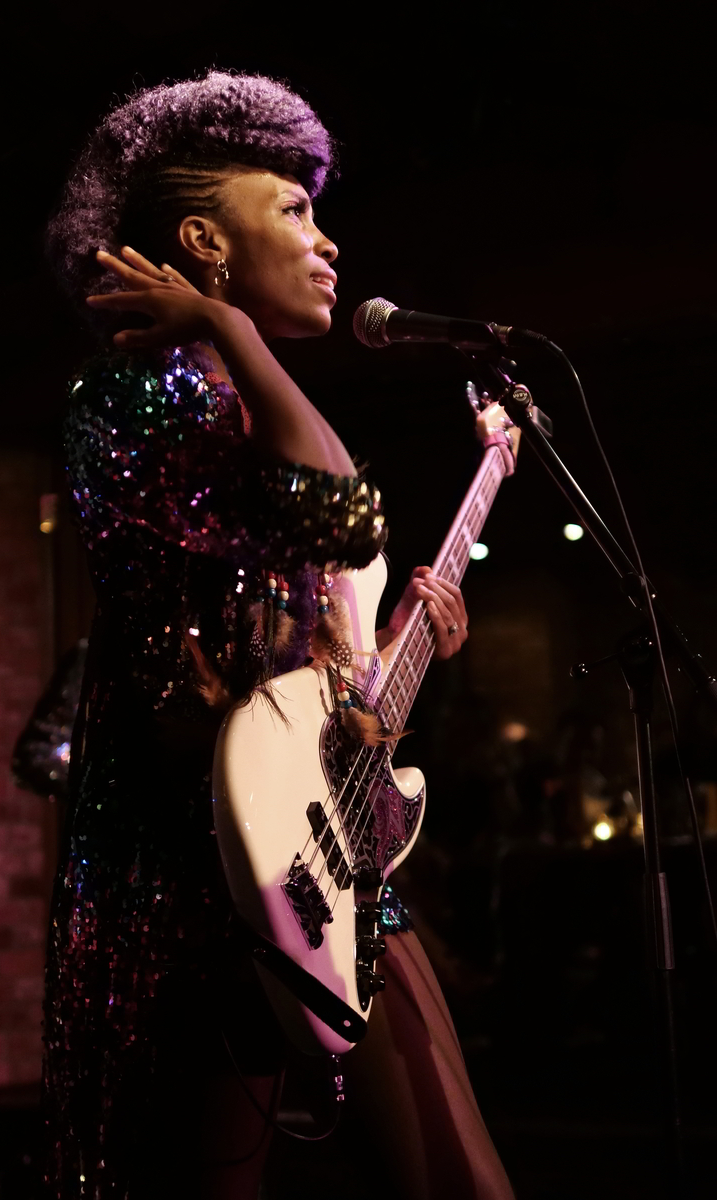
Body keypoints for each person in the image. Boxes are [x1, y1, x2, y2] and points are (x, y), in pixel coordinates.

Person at [41, 68, 514, 1200]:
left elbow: (311, 659)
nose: (326, 240)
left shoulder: (247, 405)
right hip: (191, 872)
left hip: (313, 850)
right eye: (294, 209)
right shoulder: (135, 396)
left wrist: (389, 651)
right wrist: (224, 329)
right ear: (204, 243)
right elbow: (343, 513)